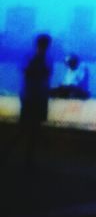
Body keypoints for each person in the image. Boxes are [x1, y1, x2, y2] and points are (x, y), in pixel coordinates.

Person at [18, 34, 53, 166]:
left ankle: (29, 155)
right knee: (29, 127)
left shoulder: (43, 58)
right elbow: (30, 73)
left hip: (34, 96)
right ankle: (28, 155)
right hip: (34, 96)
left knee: (32, 127)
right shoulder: (33, 57)